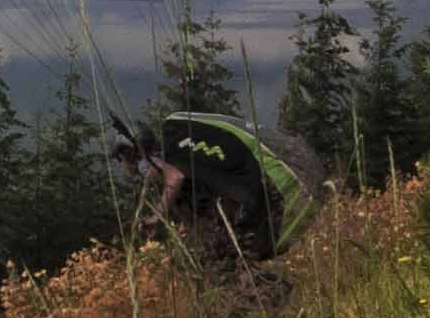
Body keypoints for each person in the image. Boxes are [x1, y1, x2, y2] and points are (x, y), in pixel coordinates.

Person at [124, 108, 307, 275]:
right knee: (222, 264)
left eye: (130, 164)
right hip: (256, 206)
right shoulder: (190, 164)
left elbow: (175, 177)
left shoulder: (174, 157)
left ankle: (271, 291)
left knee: (201, 261)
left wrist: (155, 217)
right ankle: (272, 291)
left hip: (249, 209)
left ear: (138, 158)